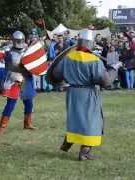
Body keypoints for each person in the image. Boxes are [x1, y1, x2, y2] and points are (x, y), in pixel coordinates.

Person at [48, 30, 122, 161]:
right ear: (90, 43)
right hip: (88, 94)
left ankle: (69, 142)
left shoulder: (68, 58)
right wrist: (114, 68)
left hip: (73, 94)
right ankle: (85, 152)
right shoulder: (94, 60)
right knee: (92, 122)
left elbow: (56, 74)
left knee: (76, 119)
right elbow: (105, 81)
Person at [0, 31, 38, 136]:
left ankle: (27, 123)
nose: (19, 42)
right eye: (18, 40)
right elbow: (9, 66)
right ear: (14, 41)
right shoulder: (8, 52)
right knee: (10, 104)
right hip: (14, 80)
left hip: (25, 79)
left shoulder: (27, 51)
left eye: (21, 40)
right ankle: (2, 127)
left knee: (29, 102)